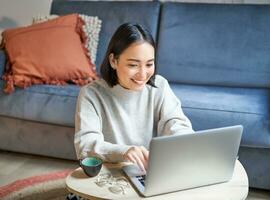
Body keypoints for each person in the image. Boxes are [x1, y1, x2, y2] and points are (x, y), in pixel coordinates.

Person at [74, 22, 194, 173]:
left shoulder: (160, 86)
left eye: (149, 64)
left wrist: (185, 142)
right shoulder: (91, 94)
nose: (143, 75)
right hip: (111, 173)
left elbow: (176, 123)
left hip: (149, 172)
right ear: (113, 61)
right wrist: (124, 151)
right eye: (133, 65)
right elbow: (86, 144)